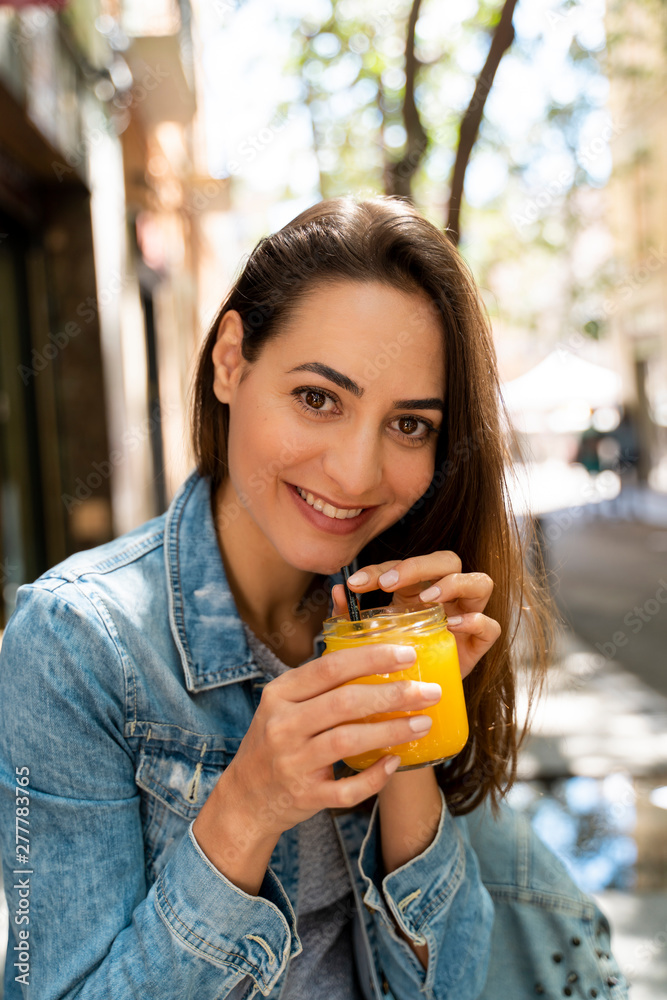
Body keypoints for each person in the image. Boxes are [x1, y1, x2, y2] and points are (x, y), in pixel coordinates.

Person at [0, 196, 627, 999]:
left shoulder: (394, 607)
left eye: (408, 425)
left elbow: (449, 983)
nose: (356, 473)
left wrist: (408, 732)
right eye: (318, 399)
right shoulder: (77, 645)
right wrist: (247, 808)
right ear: (231, 359)